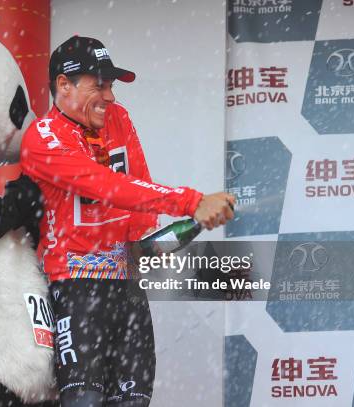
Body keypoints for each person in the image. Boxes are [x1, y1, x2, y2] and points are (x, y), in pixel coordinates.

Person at [21, 36, 235, 407]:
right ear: (63, 85)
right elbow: (105, 185)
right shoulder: (42, 138)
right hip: (76, 289)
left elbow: (139, 192)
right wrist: (192, 202)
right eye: (98, 85)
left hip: (128, 287)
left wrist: (156, 238)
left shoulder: (118, 119)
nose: (110, 97)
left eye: (111, 86)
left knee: (134, 401)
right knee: (83, 401)